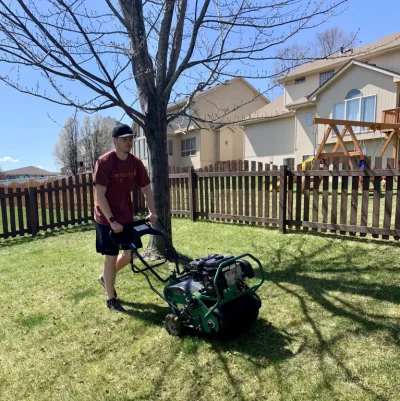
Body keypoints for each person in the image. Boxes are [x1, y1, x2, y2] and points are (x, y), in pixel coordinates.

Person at [93, 124, 158, 312]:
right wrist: (112, 220)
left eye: (130, 138)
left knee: (130, 255)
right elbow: (100, 195)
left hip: (125, 214)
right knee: (111, 257)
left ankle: (106, 278)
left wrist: (152, 211)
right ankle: (110, 297)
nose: (128, 142)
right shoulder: (105, 162)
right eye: (124, 139)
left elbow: (146, 188)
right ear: (115, 141)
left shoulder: (135, 163)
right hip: (106, 217)